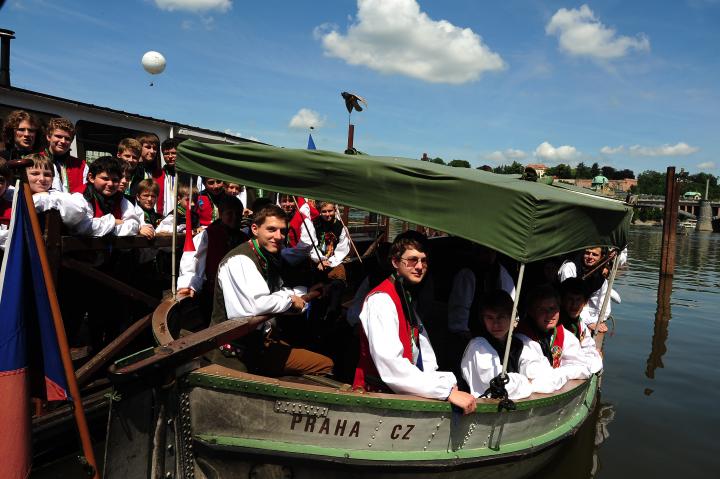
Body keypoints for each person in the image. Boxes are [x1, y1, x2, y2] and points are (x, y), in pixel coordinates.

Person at [352, 234, 476, 414]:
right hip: (376, 401)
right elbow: (391, 365)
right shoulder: (381, 301)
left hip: (399, 397)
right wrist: (444, 391)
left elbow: (423, 353)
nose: (419, 266)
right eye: (412, 260)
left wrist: (441, 383)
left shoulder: (405, 297)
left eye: (423, 261)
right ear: (395, 262)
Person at [210, 204, 333, 376]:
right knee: (325, 365)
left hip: (262, 342)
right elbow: (255, 305)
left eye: (282, 231)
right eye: (271, 229)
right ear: (255, 229)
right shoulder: (239, 260)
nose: (278, 236)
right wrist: (291, 299)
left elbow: (277, 291)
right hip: (237, 354)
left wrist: (304, 292)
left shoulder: (267, 256)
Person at [515, 285, 592, 393]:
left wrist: (559, 373)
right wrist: (567, 371)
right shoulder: (522, 339)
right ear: (531, 312)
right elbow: (535, 374)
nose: (549, 314)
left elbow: (584, 368)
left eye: (553, 309)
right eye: (542, 309)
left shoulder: (563, 334)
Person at [461, 290, 532, 400]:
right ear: (483, 319)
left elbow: (540, 374)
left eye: (501, 316)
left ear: (511, 317)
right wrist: (527, 382)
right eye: (489, 318)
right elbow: (499, 386)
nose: (495, 324)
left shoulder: (518, 343)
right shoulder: (478, 347)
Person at [177, 195, 249, 301]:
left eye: (238, 214)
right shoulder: (207, 236)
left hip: (238, 293)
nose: (234, 217)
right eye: (229, 213)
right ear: (220, 213)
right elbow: (193, 260)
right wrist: (189, 284)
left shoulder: (244, 238)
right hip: (213, 294)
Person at [77, 156, 140, 237]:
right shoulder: (81, 196)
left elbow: (134, 226)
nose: (110, 184)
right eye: (105, 179)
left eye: (115, 180)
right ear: (91, 177)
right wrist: (114, 222)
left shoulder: (121, 199)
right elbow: (83, 227)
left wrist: (107, 227)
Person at [558, 247, 616, 330]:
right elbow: (570, 301)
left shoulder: (600, 275)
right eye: (587, 253)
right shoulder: (569, 267)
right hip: (564, 313)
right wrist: (588, 322)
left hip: (582, 312)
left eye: (595, 254)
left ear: (601, 257)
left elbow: (603, 304)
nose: (590, 257)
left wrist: (600, 320)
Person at [559, 278, 604, 374]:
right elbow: (570, 360)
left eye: (578, 300)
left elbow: (589, 345)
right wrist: (596, 358)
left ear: (585, 302)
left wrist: (594, 354)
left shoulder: (579, 324)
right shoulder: (558, 325)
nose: (574, 305)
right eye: (570, 299)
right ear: (562, 300)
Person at [43, 117, 88, 194]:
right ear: (48, 137)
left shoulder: (81, 166)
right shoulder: (35, 161)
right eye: (58, 136)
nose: (63, 141)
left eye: (67, 138)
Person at [153, 137, 181, 216]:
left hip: (182, 220)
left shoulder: (186, 176)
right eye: (166, 153)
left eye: (173, 153)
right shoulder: (157, 175)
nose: (170, 156)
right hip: (162, 219)